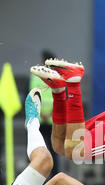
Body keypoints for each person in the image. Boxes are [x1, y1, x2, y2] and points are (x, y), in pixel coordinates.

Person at [29, 50, 60, 178]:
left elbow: (60, 98)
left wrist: (48, 115)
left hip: (50, 120)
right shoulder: (37, 76)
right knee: (39, 150)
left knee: (50, 151)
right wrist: (44, 115)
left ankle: (52, 177)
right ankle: (38, 177)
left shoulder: (56, 76)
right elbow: (33, 95)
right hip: (41, 120)